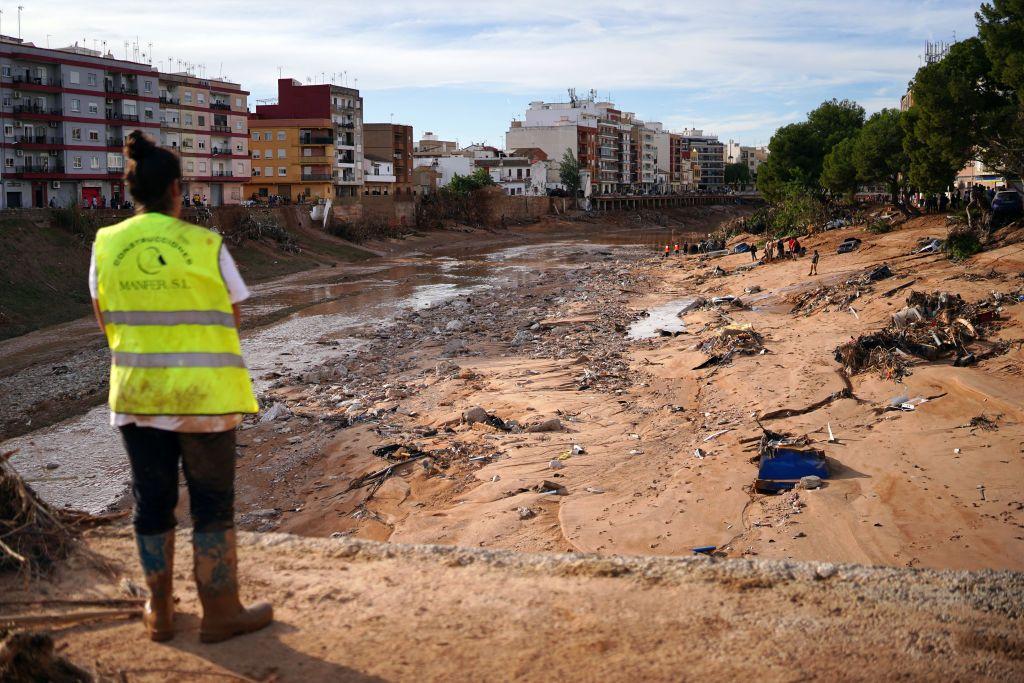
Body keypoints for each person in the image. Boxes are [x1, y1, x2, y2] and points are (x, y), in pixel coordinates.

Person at [89, 130, 272, 643]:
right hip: (205, 398)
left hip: (138, 394)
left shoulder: (106, 244)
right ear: (177, 190)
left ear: (132, 192)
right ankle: (220, 611)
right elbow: (231, 316)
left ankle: (160, 609)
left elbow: (105, 318)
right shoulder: (205, 244)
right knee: (213, 502)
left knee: (152, 501)